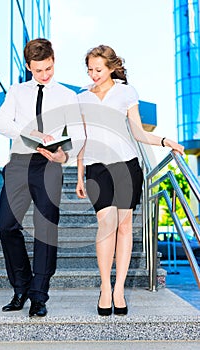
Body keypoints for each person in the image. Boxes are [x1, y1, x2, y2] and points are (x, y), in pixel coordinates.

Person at [76, 45, 184, 316]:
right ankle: (104, 287)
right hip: (96, 166)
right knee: (106, 225)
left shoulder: (126, 92)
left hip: (126, 164)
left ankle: (119, 289)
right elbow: (81, 138)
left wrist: (164, 140)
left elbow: (136, 131)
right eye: (89, 69)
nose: (93, 74)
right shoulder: (81, 98)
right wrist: (79, 174)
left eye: (98, 69)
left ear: (112, 67)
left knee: (124, 227)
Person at [0, 38, 85, 317]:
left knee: (46, 229)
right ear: (28, 67)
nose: (44, 75)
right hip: (20, 162)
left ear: (54, 60)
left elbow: (79, 134)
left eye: (48, 68)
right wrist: (32, 133)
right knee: (6, 225)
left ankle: (38, 295)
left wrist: (64, 157)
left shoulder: (67, 96)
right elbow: (1, 123)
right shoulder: (16, 92)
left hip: (49, 166)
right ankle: (21, 287)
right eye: (38, 71)